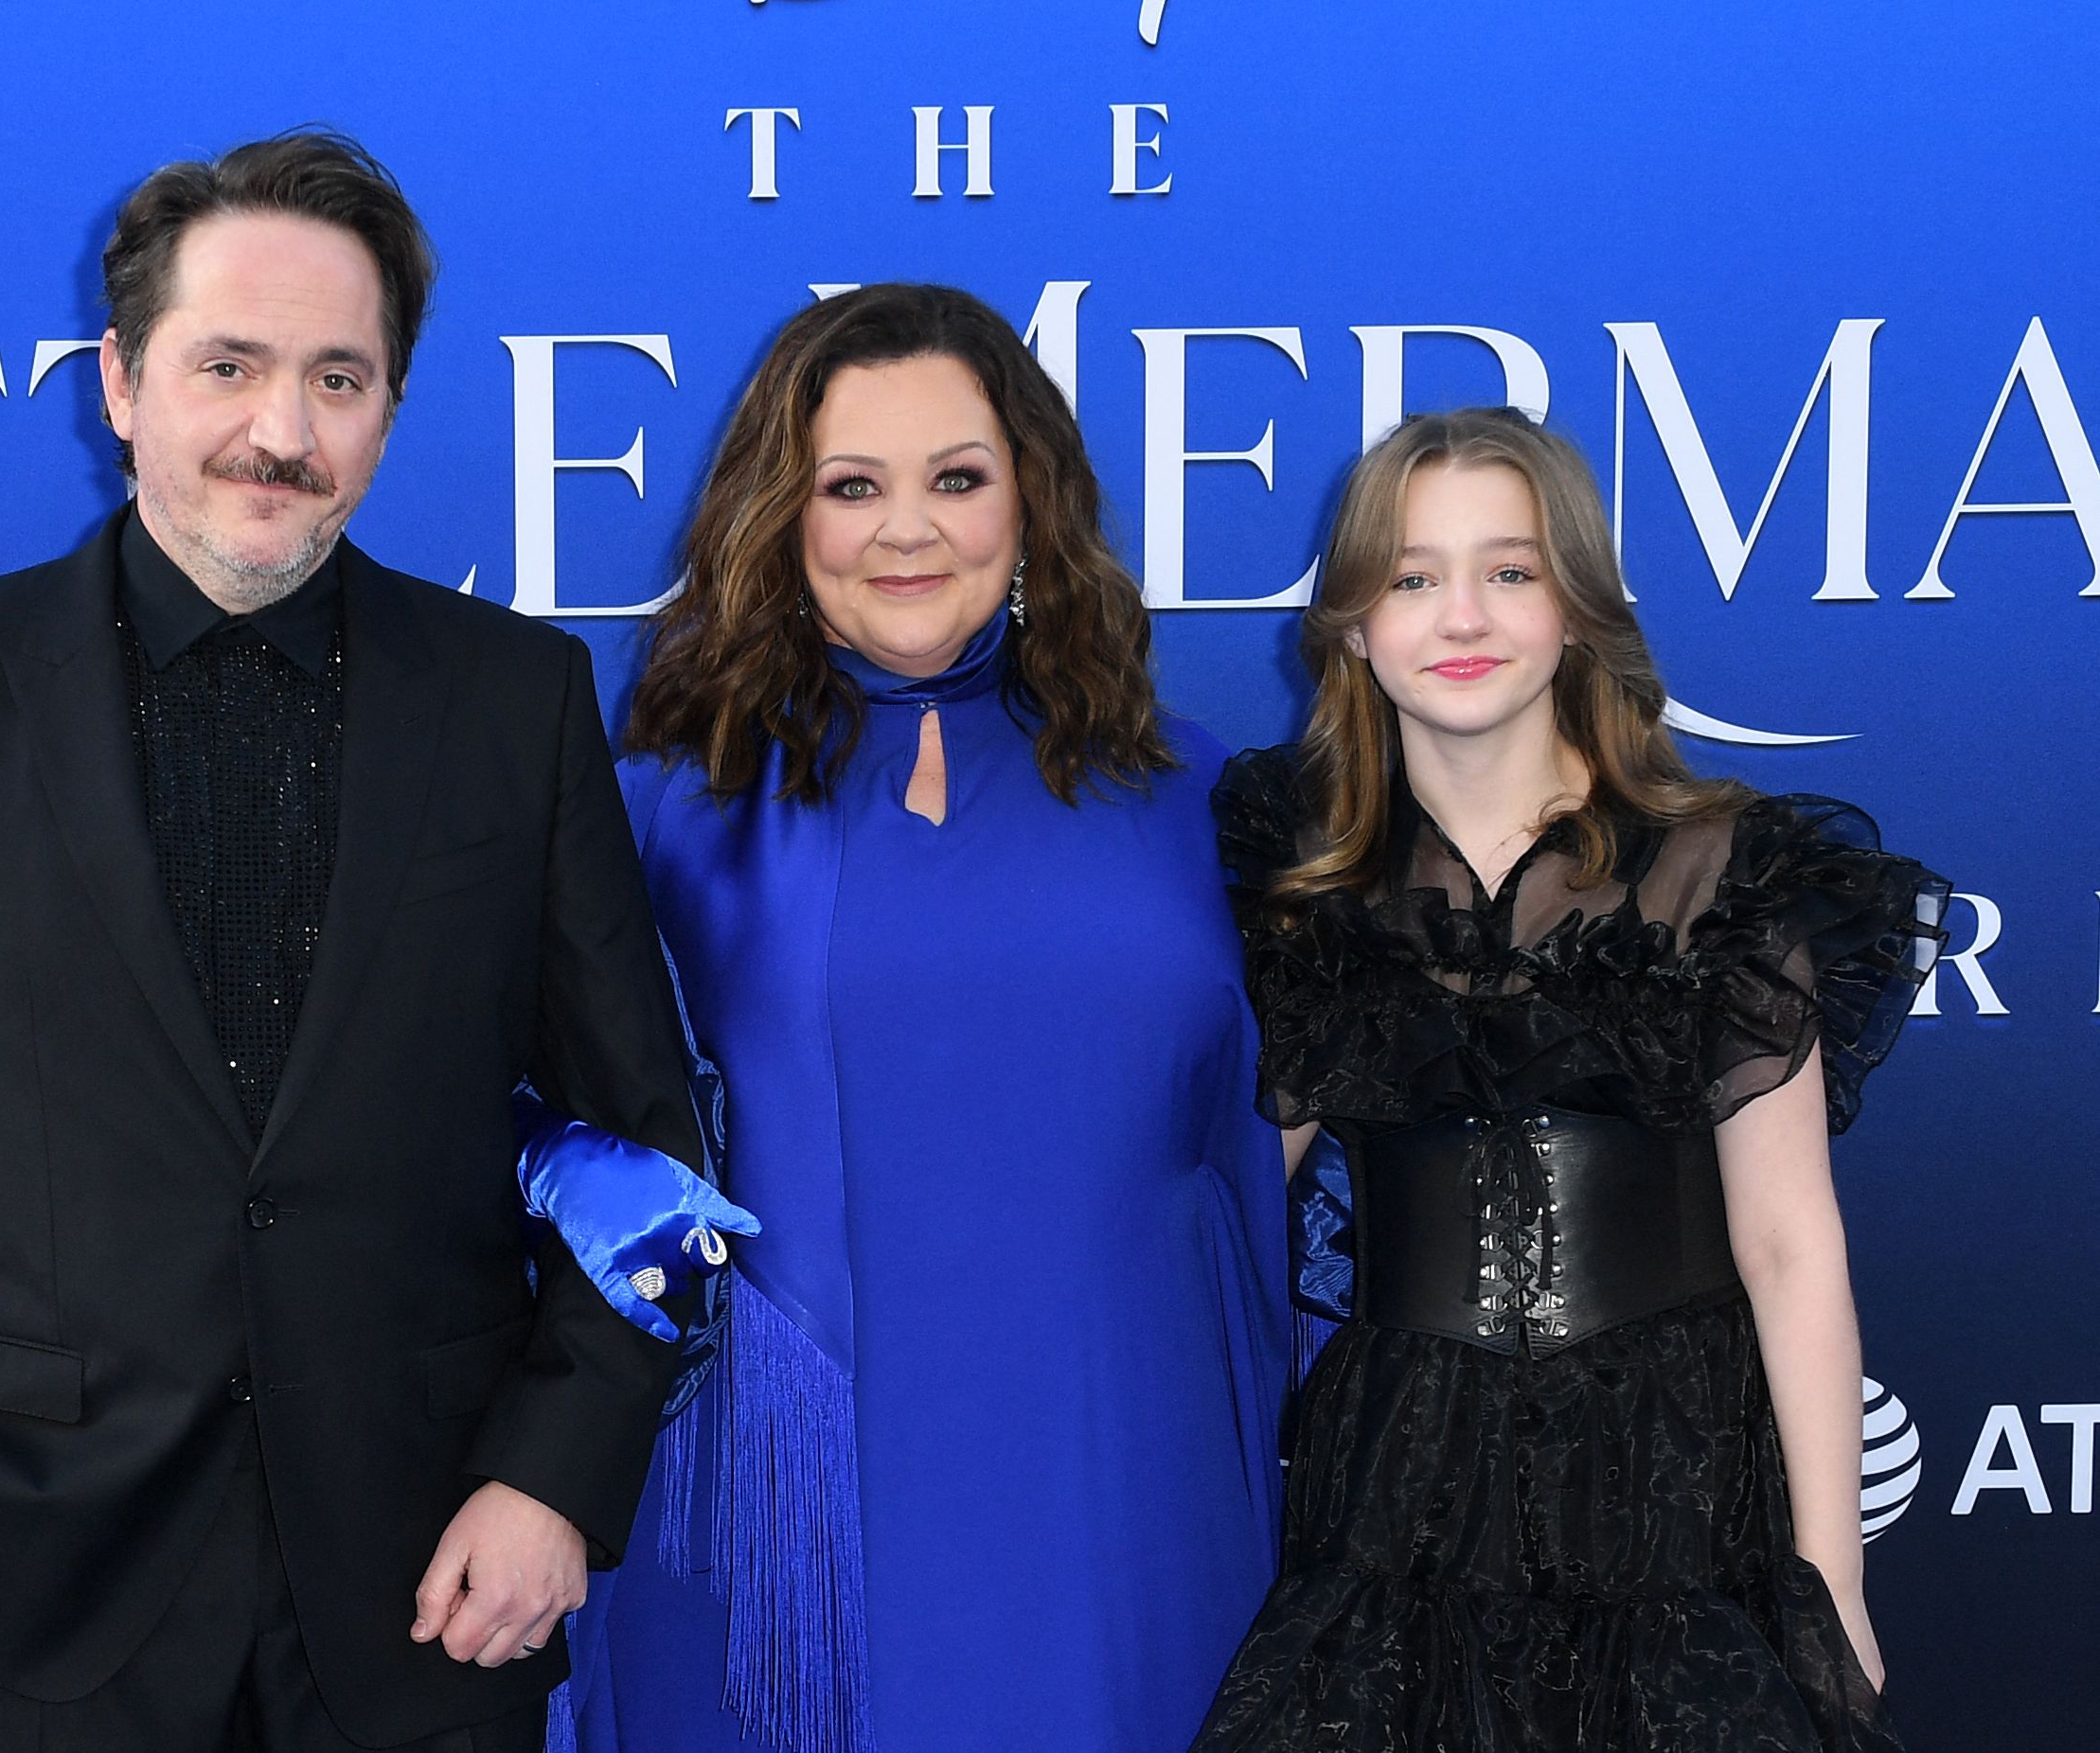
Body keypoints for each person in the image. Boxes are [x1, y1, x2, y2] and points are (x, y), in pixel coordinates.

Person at [0, 129, 707, 1753]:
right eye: (229, 365)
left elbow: (649, 1151)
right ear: (119, 382)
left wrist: (556, 1475)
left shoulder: (512, 700)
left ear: (391, 407)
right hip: (26, 1581)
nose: (283, 431)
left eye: (340, 378)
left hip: (428, 1585)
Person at [569, 283, 1290, 1753]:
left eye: (956, 480)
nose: (909, 530)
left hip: (1127, 1486)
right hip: (772, 1520)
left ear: (1031, 503)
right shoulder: (656, 807)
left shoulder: (1205, 803)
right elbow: (532, 1127)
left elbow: (1289, 1152)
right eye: (852, 487)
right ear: (782, 516)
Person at [1191, 407, 1942, 1752]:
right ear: (1352, 625)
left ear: (1577, 609)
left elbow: (1786, 1243)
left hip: (1672, 1473)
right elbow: (1228, 1192)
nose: (1459, 613)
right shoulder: (1296, 888)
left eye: (1509, 570)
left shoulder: (1722, 870)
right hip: (1395, 1476)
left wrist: (1831, 1579)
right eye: (1411, 577)